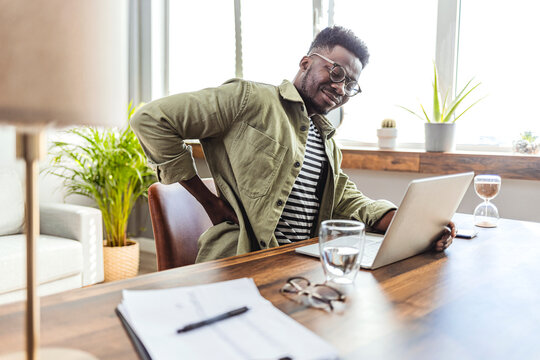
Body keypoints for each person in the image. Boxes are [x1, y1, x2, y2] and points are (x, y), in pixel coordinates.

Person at [131, 26, 454, 262]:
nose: (342, 88)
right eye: (337, 72)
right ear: (305, 63)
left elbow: (344, 197)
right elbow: (151, 119)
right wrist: (209, 202)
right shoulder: (250, 99)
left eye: (352, 85)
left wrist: (409, 223)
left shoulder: (325, 138)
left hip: (303, 261)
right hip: (246, 258)